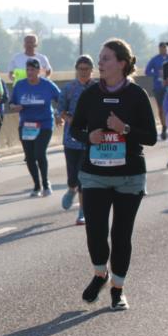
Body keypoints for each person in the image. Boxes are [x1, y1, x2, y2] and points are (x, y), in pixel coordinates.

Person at [70, 38, 156, 311]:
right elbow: (75, 130)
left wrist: (125, 128)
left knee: (121, 234)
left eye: (106, 58)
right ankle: (100, 273)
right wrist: (89, 136)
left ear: (121, 63)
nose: (100, 63)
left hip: (129, 176)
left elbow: (151, 137)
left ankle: (118, 289)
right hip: (94, 174)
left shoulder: (136, 95)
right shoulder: (91, 94)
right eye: (100, 57)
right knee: (95, 231)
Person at [9, 58, 61, 197]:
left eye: (33, 70)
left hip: (44, 124)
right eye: (28, 70)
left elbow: (61, 100)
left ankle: (45, 183)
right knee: (30, 157)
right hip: (26, 125)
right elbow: (11, 103)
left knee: (39, 153)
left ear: (39, 71)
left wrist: (58, 114)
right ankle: (36, 185)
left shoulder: (47, 85)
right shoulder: (20, 85)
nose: (30, 72)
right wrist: (15, 107)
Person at [57, 55, 96, 225]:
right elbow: (60, 109)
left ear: (91, 70)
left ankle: (82, 211)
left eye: (86, 69)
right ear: (76, 70)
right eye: (80, 69)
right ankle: (71, 189)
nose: (83, 72)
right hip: (71, 138)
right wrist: (67, 118)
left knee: (83, 176)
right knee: (73, 175)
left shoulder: (97, 88)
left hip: (90, 139)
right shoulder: (69, 88)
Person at [145, 42, 168, 140]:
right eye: (161, 48)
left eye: (164, 48)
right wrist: (157, 73)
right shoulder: (155, 59)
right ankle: (164, 127)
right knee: (160, 108)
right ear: (159, 49)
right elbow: (147, 71)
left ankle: (167, 123)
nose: (163, 49)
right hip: (158, 87)